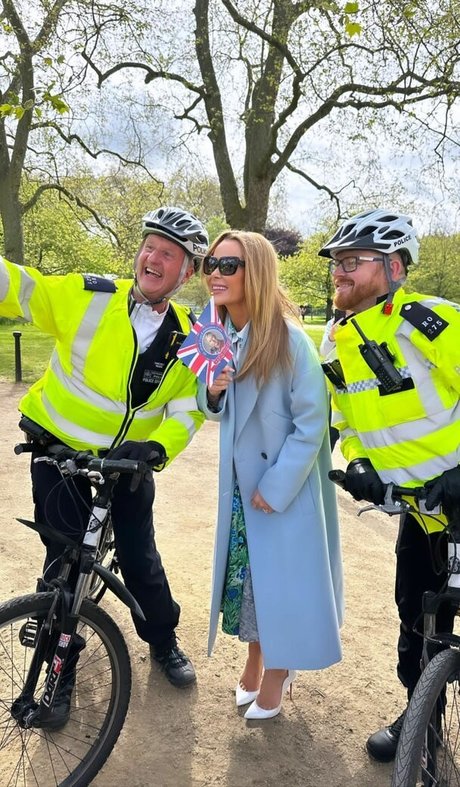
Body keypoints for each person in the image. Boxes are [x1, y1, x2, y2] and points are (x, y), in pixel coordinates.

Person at [0, 205, 209, 725]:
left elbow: (189, 408)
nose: (152, 259)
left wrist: (157, 448)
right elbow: (21, 287)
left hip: (127, 467)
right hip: (59, 455)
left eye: (169, 254)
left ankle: (162, 639)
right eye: (149, 247)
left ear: (186, 273)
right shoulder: (89, 297)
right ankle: (59, 671)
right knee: (63, 561)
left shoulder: (191, 335)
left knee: (141, 560)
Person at [318, 208, 460, 761]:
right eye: (336, 263)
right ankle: (422, 718)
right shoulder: (337, 342)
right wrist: (363, 467)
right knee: (417, 619)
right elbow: (351, 423)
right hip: (421, 511)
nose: (340, 272)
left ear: (395, 267)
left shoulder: (428, 319)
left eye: (354, 261)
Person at [197, 230, 344, 721]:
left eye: (229, 265)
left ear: (255, 272)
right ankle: (257, 657)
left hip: (282, 490)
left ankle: (277, 672)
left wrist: (277, 486)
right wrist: (214, 393)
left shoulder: (292, 341)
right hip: (239, 489)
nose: (215, 273)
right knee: (251, 581)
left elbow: (311, 424)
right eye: (211, 263)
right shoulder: (217, 335)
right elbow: (212, 409)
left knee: (278, 583)